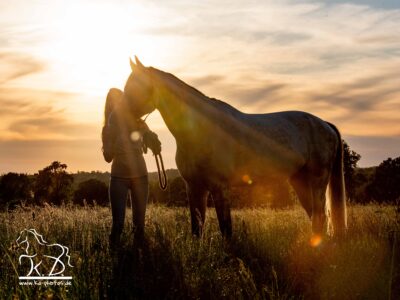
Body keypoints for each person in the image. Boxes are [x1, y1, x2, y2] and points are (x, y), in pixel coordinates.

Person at [102, 88, 161, 249]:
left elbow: (152, 144)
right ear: (110, 106)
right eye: (114, 103)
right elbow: (107, 158)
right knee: (118, 225)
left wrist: (153, 141)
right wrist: (111, 140)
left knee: (139, 226)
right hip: (118, 178)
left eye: (121, 101)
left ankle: (138, 263)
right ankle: (114, 257)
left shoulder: (140, 123)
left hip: (140, 177)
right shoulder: (108, 128)